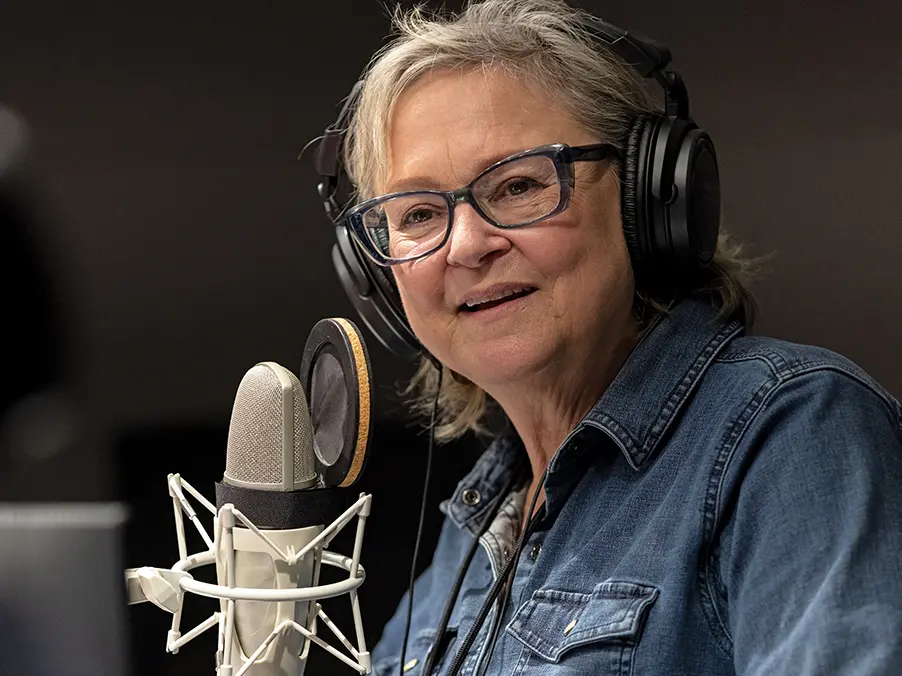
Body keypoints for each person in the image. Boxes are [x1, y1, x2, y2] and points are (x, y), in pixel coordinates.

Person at [316, 1, 902, 673]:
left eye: (517, 186)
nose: (468, 245)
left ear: (645, 198)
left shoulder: (793, 432)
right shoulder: (466, 537)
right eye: (418, 213)